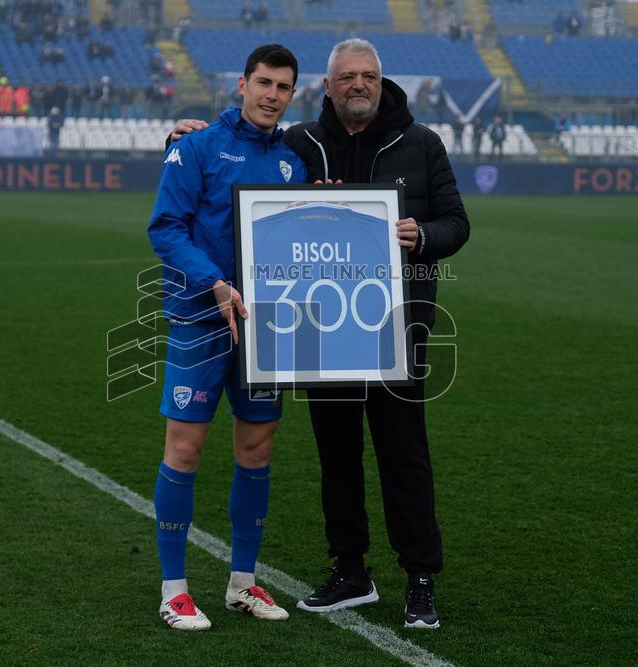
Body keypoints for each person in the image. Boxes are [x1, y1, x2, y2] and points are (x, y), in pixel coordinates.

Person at [169, 37, 469, 630]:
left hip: (394, 328)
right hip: (320, 328)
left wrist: (421, 236)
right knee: (337, 455)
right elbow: (247, 158)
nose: (359, 84)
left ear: (382, 83)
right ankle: (351, 571)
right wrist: (184, 139)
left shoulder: (422, 143)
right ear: (327, 88)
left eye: (369, 76)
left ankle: (420, 578)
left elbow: (456, 223)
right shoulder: (303, 142)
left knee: (404, 454)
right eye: (347, 77)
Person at [147, 44, 307, 632]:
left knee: (257, 451)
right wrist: (214, 283)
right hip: (200, 319)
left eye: (283, 87)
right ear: (241, 84)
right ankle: (174, 590)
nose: (271, 95)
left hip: (265, 328)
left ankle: (243, 583)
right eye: (263, 83)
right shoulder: (196, 147)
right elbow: (164, 227)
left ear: (294, 94)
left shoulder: (294, 163)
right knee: (184, 450)